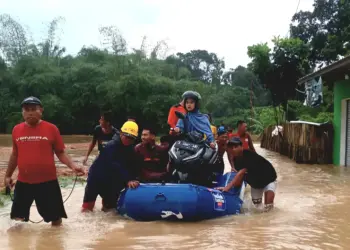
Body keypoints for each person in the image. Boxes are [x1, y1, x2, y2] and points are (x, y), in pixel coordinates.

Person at [4, 96, 85, 226]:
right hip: (24, 182)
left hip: (48, 182)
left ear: (41, 110)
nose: (30, 112)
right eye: (26, 109)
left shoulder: (51, 129)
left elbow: (60, 152)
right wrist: (8, 175)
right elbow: (15, 154)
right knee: (17, 220)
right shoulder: (16, 130)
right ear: (22, 112)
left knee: (56, 219)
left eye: (33, 109)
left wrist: (73, 165)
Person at [82, 120, 140, 212]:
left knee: (109, 210)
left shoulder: (131, 149)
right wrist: (128, 179)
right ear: (121, 133)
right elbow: (114, 165)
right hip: (96, 177)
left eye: (131, 138)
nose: (128, 140)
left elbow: (132, 165)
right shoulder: (111, 145)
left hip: (111, 181)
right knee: (87, 208)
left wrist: (134, 178)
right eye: (126, 136)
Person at [216, 137, 277, 212]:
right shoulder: (236, 162)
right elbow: (240, 179)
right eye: (231, 147)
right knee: (257, 208)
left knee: (268, 206)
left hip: (269, 179)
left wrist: (227, 187)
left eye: (236, 146)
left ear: (241, 147)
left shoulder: (249, 154)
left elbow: (241, 172)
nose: (233, 149)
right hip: (256, 184)